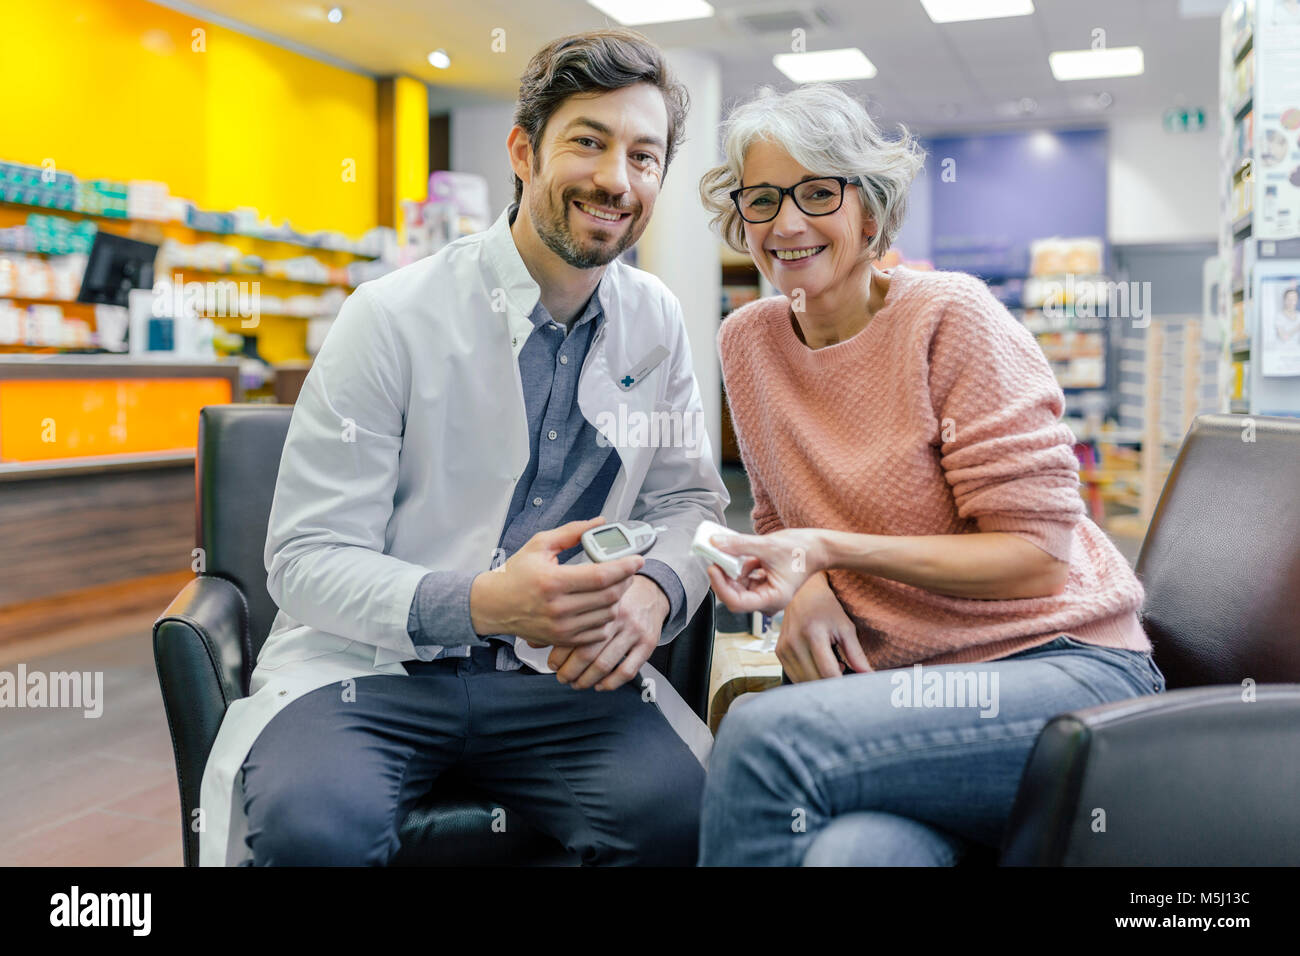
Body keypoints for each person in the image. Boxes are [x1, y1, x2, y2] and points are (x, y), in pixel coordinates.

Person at [198, 28, 728, 866]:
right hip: (367, 673)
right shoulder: (392, 314)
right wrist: (483, 604)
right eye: (587, 143)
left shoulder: (654, 319)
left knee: (692, 821)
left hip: (562, 677)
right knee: (314, 833)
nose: (616, 181)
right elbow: (304, 557)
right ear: (524, 151)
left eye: (644, 156)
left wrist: (658, 591)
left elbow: (690, 503)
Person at [694, 83, 1165, 866]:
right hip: (899, 698)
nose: (786, 223)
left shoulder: (950, 316)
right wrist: (805, 586)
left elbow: (1038, 562)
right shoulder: (747, 342)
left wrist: (830, 554)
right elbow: (779, 511)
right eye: (763, 198)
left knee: (764, 741)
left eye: (817, 193)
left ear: (870, 215)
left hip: (1059, 667)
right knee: (851, 856)